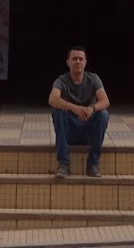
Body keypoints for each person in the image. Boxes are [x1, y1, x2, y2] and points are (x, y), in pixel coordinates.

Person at [48, 45, 110, 177]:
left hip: (88, 132)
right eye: (74, 59)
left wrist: (91, 109)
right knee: (57, 110)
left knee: (103, 114)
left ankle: (93, 164)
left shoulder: (93, 79)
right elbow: (52, 99)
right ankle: (63, 164)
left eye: (81, 59)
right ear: (68, 62)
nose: (78, 62)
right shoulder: (62, 80)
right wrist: (74, 108)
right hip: (69, 132)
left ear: (85, 62)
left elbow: (105, 101)